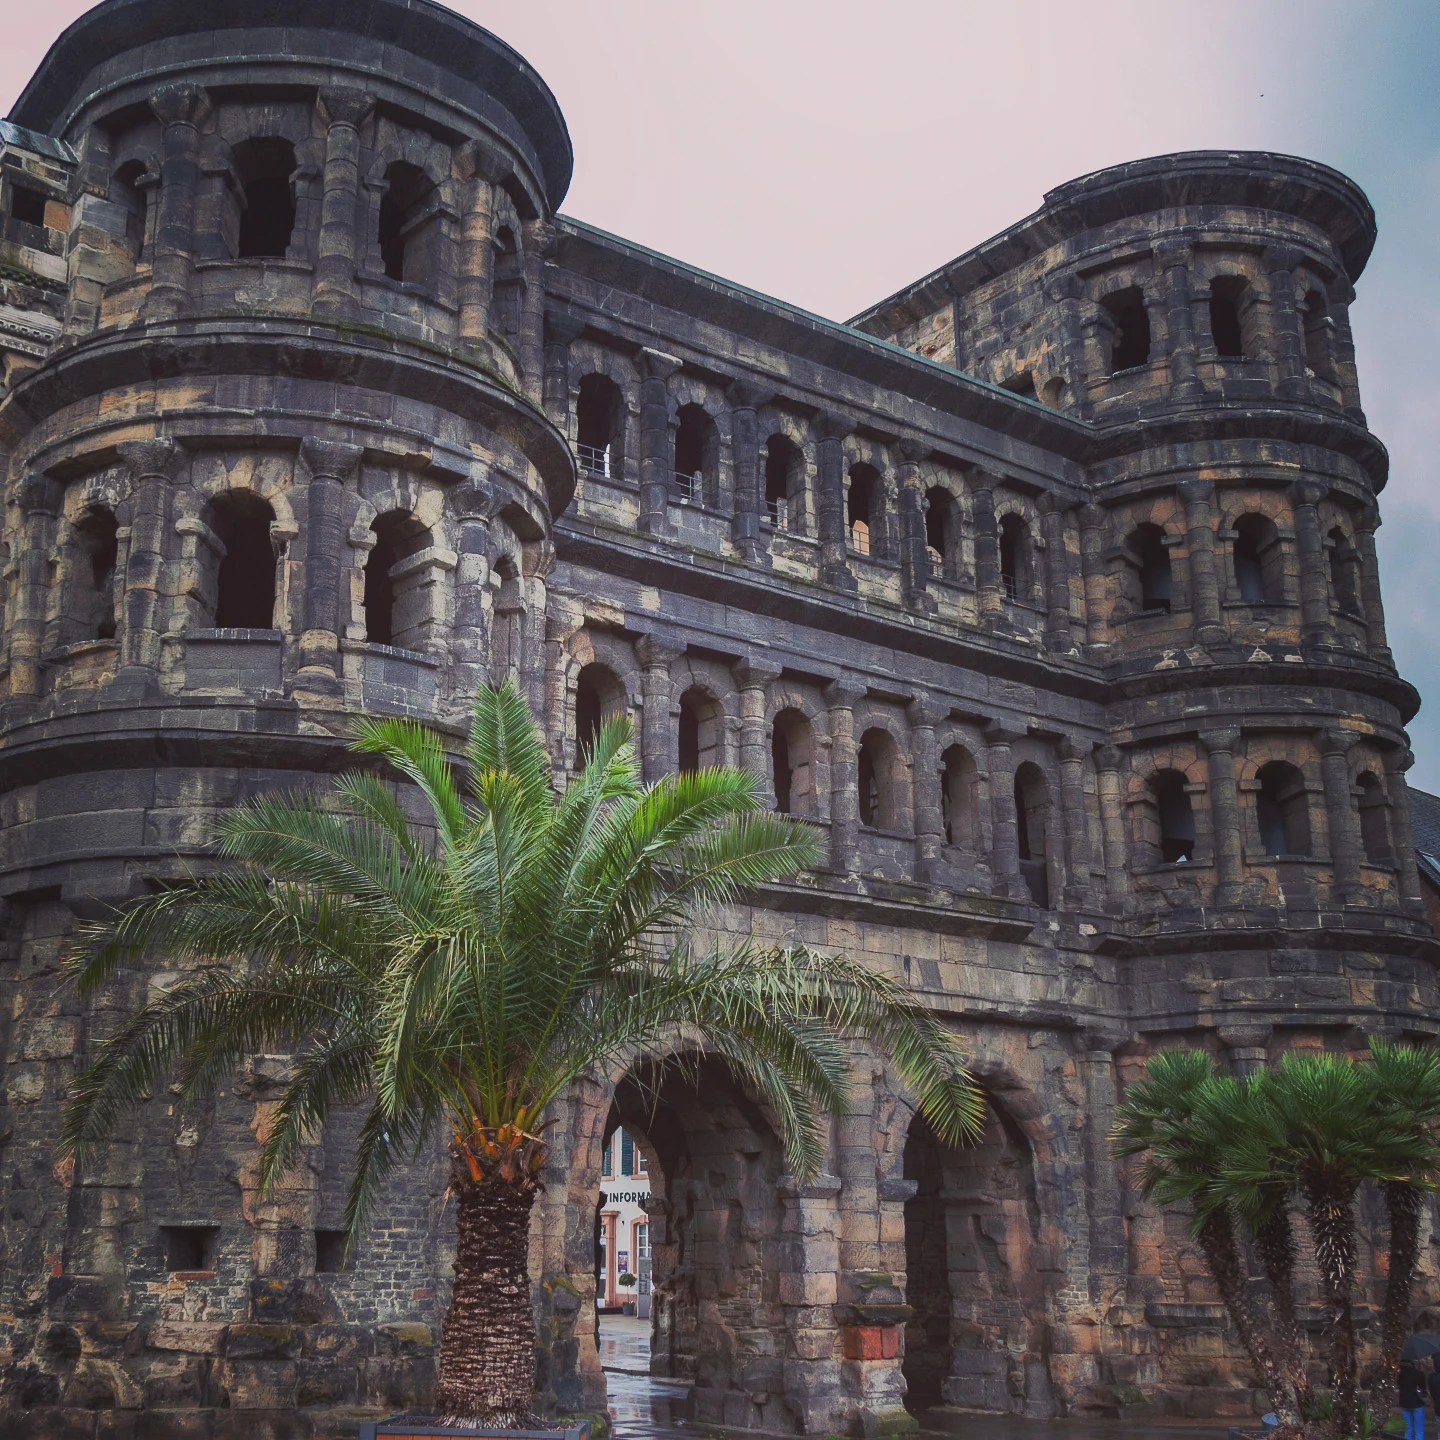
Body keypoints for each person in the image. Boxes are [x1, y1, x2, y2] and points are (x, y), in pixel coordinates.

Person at [1401, 1308, 1440, 1440]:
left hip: (1406, 1403)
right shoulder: (1419, 1374)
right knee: (1419, 1431)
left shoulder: (1402, 1374)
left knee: (1410, 1429)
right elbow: (1423, 1389)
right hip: (1417, 1405)